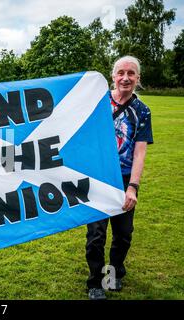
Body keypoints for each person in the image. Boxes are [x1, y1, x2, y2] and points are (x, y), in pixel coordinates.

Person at [85, 56, 153, 300]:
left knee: (123, 234)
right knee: (96, 234)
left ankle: (112, 275)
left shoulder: (142, 111)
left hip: (125, 180)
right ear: (112, 76)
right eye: (121, 73)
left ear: (138, 78)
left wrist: (133, 187)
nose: (126, 78)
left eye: (131, 73)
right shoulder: (97, 102)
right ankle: (95, 282)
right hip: (98, 179)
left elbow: (140, 151)